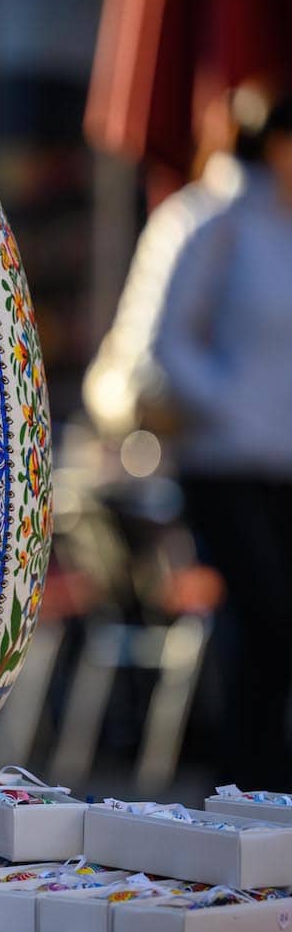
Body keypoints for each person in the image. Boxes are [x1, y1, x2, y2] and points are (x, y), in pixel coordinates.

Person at [148, 89, 292, 790]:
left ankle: (265, 782)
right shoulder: (213, 220)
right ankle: (249, 779)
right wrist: (231, 405)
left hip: (280, 463)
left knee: (272, 630)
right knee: (264, 621)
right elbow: (165, 338)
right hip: (224, 461)